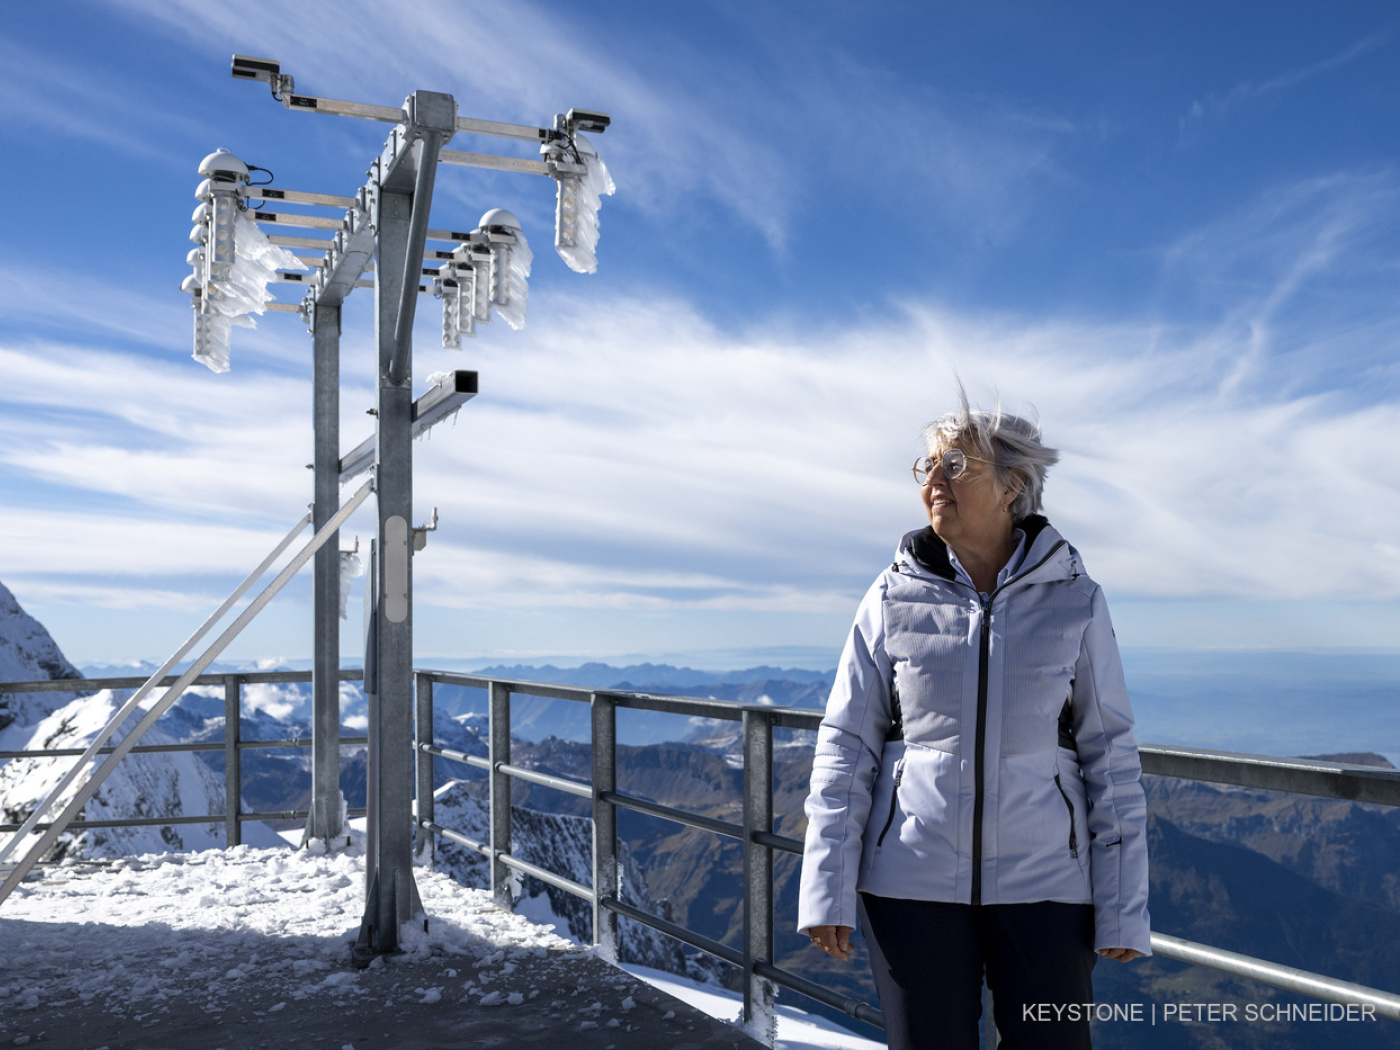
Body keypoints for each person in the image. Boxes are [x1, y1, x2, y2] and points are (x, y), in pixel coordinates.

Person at [797, 398, 1150, 1050]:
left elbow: (1109, 753)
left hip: (1048, 890)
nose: (933, 480)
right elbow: (847, 743)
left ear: (1013, 484)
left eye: (955, 464)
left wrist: (1125, 905)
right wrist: (826, 887)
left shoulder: (1076, 599)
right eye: (925, 465)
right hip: (909, 885)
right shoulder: (889, 597)